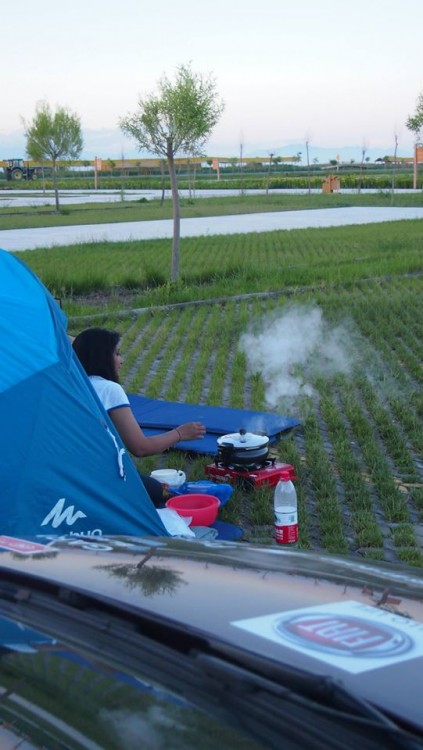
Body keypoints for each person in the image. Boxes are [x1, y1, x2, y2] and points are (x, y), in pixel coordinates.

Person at [72, 327, 206, 507]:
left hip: (70, 476)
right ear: (102, 357)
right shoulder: (108, 389)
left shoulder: (69, 387)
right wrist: (180, 434)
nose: (122, 360)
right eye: (117, 353)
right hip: (98, 480)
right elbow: (140, 447)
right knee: (161, 493)